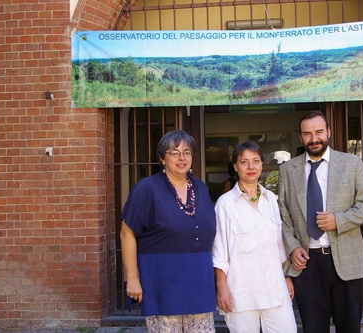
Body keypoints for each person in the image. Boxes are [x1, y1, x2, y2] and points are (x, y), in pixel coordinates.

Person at [278, 111, 363, 333]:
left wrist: (338, 220)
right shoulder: (287, 170)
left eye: (319, 132)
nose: (314, 138)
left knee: (349, 328)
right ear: (301, 137)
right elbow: (283, 217)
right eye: (307, 134)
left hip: (346, 262)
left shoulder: (351, 163)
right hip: (307, 265)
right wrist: (293, 248)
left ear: (328, 132)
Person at [120, 130, 217, 333]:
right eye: (174, 152)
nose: (182, 158)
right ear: (162, 159)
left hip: (199, 283)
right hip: (162, 283)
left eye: (187, 152)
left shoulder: (200, 187)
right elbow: (126, 233)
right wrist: (133, 278)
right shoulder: (147, 188)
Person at [212, 140, 297, 333]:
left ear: (261, 165)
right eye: (244, 162)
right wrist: (222, 287)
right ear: (235, 166)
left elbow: (279, 245)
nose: (251, 167)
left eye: (256, 161)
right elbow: (219, 251)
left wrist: (287, 277)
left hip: (275, 289)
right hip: (241, 292)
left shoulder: (271, 200)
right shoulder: (225, 204)